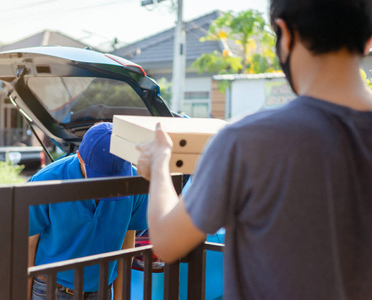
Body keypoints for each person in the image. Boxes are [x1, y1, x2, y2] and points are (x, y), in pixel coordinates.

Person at [136, 0, 372, 299]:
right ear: (368, 39)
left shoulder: (248, 139)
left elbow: (168, 243)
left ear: (286, 33)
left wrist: (159, 164)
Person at [28, 122, 148, 300]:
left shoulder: (136, 183)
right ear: (80, 158)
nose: (107, 188)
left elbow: (126, 245)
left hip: (101, 291)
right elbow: (28, 245)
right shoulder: (44, 182)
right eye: (100, 177)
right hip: (50, 290)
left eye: (115, 179)